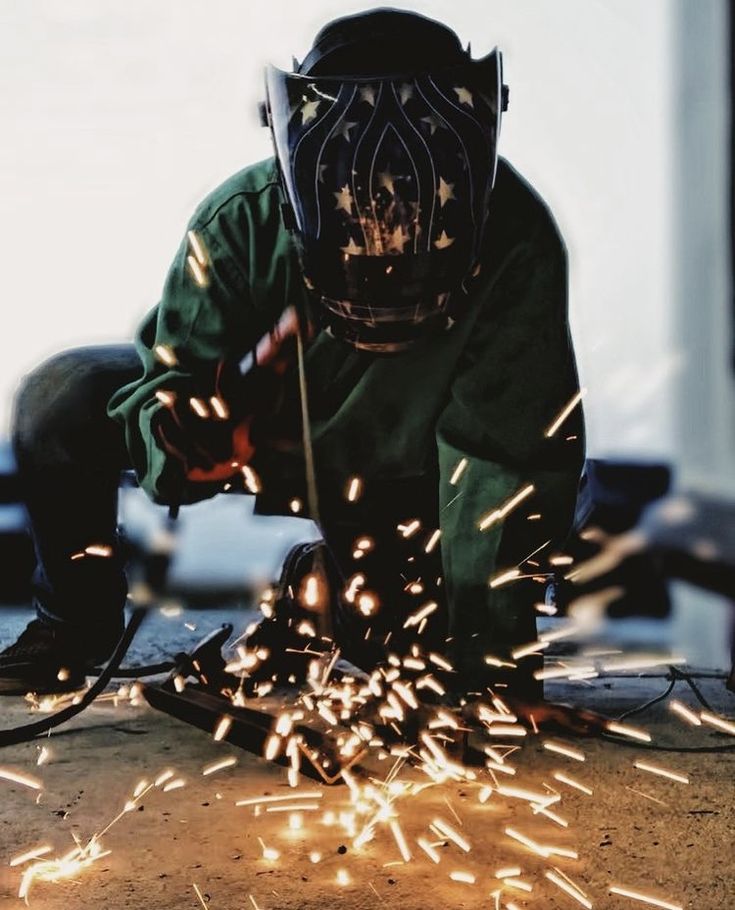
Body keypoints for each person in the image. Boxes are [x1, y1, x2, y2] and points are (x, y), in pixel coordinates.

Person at [0, 8, 585, 698]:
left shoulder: (517, 239)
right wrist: (195, 437)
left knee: (406, 657)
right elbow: (172, 380)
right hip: (281, 439)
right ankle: (73, 623)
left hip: (411, 476)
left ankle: (317, 591)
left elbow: (499, 463)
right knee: (61, 395)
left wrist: (492, 669)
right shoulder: (239, 220)